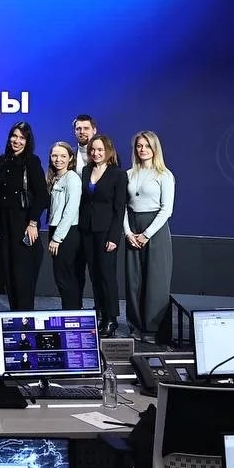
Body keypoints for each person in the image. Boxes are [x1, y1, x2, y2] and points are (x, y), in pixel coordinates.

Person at [124, 131, 175, 343]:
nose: (142, 149)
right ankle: (135, 325)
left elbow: (167, 209)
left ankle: (153, 329)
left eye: (147, 145)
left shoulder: (164, 175)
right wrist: (128, 232)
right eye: (139, 146)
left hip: (155, 229)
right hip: (132, 227)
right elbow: (122, 207)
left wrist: (146, 234)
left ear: (155, 148)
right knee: (133, 280)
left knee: (155, 281)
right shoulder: (129, 174)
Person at [0, 121, 49, 311]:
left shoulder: (32, 161)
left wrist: (33, 223)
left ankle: (25, 316)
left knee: (22, 274)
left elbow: (42, 196)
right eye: (14, 136)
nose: (17, 141)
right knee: (8, 271)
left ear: (28, 141)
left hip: (24, 223)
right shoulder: (3, 160)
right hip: (4, 223)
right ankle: (14, 313)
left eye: (22, 138)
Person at [79, 134, 128, 338]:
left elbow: (119, 209)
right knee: (95, 276)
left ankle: (111, 318)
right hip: (87, 230)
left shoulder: (118, 175)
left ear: (108, 151)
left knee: (107, 276)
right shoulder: (86, 170)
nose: (96, 153)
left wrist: (114, 237)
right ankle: (99, 314)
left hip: (106, 232)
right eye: (92, 149)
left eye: (100, 150)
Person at [45, 141, 83, 309]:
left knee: (65, 277)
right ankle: (71, 311)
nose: (58, 159)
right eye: (55, 155)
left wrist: (57, 238)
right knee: (61, 277)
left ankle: (72, 314)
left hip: (67, 233)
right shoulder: (55, 178)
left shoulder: (72, 178)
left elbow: (70, 211)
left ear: (70, 158)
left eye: (63, 156)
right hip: (56, 229)